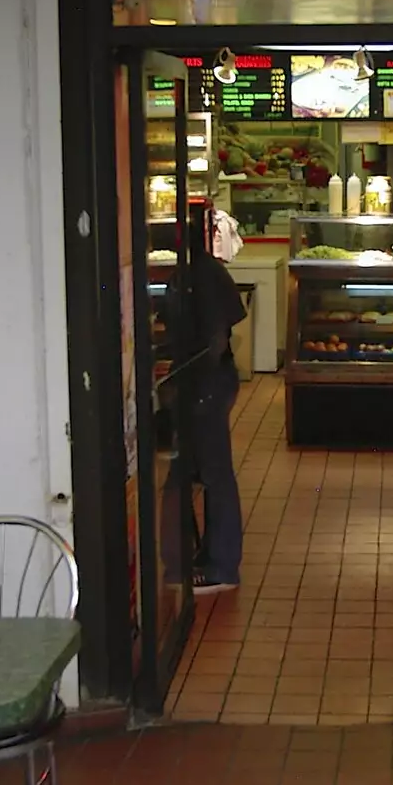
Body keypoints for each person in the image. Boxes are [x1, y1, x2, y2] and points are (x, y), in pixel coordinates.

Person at [161, 241, 247, 594]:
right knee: (198, 471)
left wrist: (191, 386)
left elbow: (216, 340)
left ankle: (222, 567)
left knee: (213, 472)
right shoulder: (194, 271)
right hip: (203, 383)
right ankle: (201, 558)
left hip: (206, 385)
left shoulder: (202, 274)